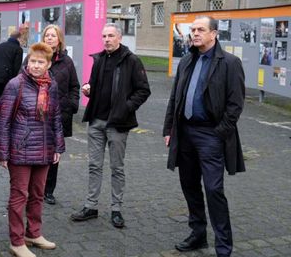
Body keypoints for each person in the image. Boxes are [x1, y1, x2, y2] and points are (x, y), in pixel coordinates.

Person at [162, 15, 245, 257]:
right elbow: (175, 98)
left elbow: (235, 105)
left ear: (214, 34)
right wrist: (169, 129)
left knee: (213, 189)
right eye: (193, 30)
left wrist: (219, 134)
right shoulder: (187, 60)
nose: (195, 33)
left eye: (200, 29)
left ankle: (223, 247)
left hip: (211, 134)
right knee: (189, 185)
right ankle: (198, 234)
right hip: (185, 133)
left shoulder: (229, 63)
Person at [70, 23, 150, 228]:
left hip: (118, 123)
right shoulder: (99, 59)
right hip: (96, 121)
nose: (106, 39)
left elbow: (143, 90)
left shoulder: (131, 60)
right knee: (94, 166)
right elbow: (95, 84)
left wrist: (125, 107)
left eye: (111, 36)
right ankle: (91, 206)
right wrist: (89, 89)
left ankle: (116, 209)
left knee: (117, 168)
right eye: (104, 36)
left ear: (119, 38)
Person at [0, 42, 65, 257]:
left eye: (40, 62)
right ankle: (16, 242)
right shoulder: (15, 84)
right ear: (28, 61)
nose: (35, 66)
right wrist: (2, 153)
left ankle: (33, 233)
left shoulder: (51, 85)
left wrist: (58, 147)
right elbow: (4, 120)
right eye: (32, 61)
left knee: (37, 194)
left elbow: (55, 117)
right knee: (19, 196)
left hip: (44, 149)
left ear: (48, 64)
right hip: (21, 149)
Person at [41, 24, 79, 205]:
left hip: (59, 115)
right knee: (37, 152)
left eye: (53, 36)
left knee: (54, 155)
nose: (49, 38)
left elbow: (74, 86)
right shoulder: (35, 58)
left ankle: (49, 191)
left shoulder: (67, 61)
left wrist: (71, 105)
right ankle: (36, 188)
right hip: (37, 115)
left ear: (59, 40)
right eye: (47, 35)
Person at [0, 30, 23, 97]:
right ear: (19, 38)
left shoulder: (0, 46)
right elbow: (16, 67)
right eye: (22, 39)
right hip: (9, 80)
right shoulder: (18, 49)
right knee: (7, 100)